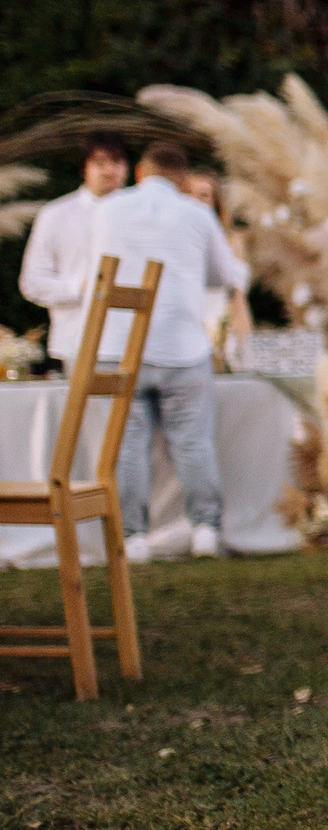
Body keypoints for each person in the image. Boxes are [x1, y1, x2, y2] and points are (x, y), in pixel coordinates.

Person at [88, 141, 249, 561]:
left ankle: (134, 538)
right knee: (193, 443)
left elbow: (93, 270)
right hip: (181, 347)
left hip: (119, 345)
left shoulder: (106, 209)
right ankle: (205, 532)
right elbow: (223, 276)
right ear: (181, 179)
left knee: (128, 446)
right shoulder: (196, 214)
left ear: (140, 172)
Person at [18, 131, 128, 370]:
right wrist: (81, 288)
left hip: (137, 343)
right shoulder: (56, 215)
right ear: (84, 168)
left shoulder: (143, 215)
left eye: (117, 162)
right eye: (100, 163)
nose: (109, 170)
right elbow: (32, 282)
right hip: (76, 341)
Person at [177, 169, 255, 367]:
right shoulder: (172, 242)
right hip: (180, 336)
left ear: (215, 203)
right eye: (188, 194)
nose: (195, 201)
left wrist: (247, 349)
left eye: (203, 195)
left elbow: (237, 299)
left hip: (219, 337)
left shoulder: (230, 242)